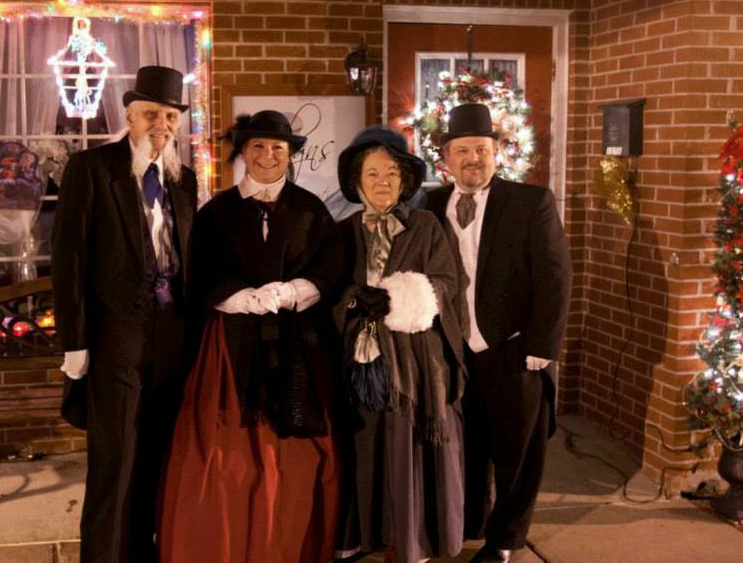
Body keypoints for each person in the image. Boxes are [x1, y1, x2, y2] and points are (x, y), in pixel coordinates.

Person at [159, 110, 343, 563]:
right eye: (258, 146)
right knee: (226, 454)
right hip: (229, 346)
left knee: (297, 455)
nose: (267, 155)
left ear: (291, 154)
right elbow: (196, 274)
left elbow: (332, 268)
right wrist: (236, 298)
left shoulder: (311, 208)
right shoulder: (215, 212)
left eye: (278, 147)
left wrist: (295, 290)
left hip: (297, 347)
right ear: (243, 151)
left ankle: (284, 541)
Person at [51, 65, 198, 563]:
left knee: (155, 457)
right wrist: (74, 343)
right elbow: (69, 260)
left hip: (169, 338)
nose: (162, 124)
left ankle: (140, 552)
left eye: (171, 116)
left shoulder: (184, 181)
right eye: (152, 113)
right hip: (115, 337)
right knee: (114, 460)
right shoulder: (93, 169)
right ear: (131, 116)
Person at [424, 103, 571, 563]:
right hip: (453, 353)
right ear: (445, 157)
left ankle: (505, 540)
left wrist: (541, 348)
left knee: (517, 454)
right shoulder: (429, 206)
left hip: (513, 351)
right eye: (463, 150)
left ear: (498, 152)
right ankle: (469, 521)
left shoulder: (532, 202)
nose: (473, 159)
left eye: (483, 150)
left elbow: (555, 277)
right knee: (467, 446)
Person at [333, 126, 466, 563]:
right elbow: (330, 290)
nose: (383, 182)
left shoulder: (425, 225)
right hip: (363, 361)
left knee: (407, 447)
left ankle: (412, 541)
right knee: (367, 445)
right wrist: (355, 301)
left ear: (405, 180)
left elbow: (448, 282)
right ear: (357, 181)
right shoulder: (345, 231)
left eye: (391, 173)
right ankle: (369, 534)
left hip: (414, 363)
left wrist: (400, 295)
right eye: (373, 174)